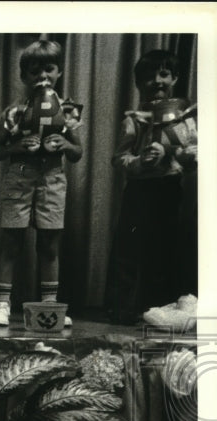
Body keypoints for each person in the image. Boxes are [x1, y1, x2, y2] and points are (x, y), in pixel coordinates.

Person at [0, 39, 83, 327]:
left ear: (59, 72)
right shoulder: (15, 112)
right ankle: (2, 304)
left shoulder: (67, 111)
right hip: (20, 174)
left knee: (50, 243)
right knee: (12, 242)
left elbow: (77, 154)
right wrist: (16, 147)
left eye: (49, 69)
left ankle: (49, 307)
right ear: (23, 76)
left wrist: (65, 142)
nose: (42, 76)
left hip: (52, 177)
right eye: (34, 70)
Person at [107, 49, 197, 325]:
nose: (157, 81)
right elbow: (119, 159)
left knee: (165, 249)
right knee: (129, 251)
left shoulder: (184, 119)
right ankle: (123, 309)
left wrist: (180, 155)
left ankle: (160, 310)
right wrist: (141, 162)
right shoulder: (134, 120)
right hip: (139, 192)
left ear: (175, 78)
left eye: (164, 74)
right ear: (138, 84)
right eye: (148, 77)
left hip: (169, 189)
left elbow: (194, 153)